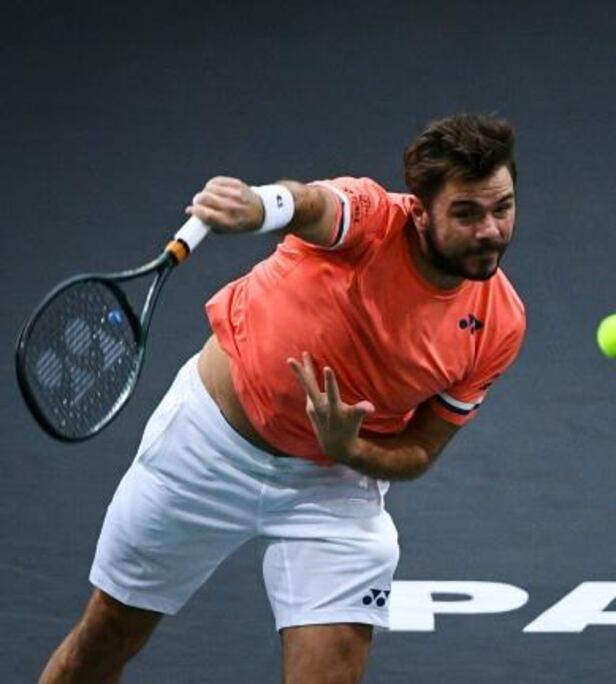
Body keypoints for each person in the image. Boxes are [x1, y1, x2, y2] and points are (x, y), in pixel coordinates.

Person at [39, 113, 526, 683]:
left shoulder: (499, 323)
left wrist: (349, 450)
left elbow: (420, 451)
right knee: (103, 641)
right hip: (206, 448)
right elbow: (312, 205)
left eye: (502, 208)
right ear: (420, 212)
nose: (490, 230)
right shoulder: (373, 218)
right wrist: (258, 206)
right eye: (466, 214)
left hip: (332, 486)